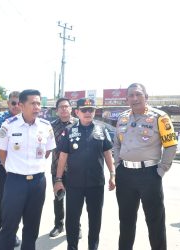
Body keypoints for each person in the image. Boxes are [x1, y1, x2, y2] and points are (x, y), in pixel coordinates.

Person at [113, 83, 177, 250]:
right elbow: (116, 144)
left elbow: (170, 145)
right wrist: (118, 165)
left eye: (138, 94)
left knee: (155, 221)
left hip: (150, 175)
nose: (134, 98)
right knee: (126, 220)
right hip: (125, 174)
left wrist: (161, 170)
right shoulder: (122, 117)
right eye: (131, 95)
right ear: (126, 99)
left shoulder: (160, 117)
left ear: (146, 97)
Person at [0, 89, 56, 250]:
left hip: (38, 182)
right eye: (33, 103)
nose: (37, 107)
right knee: (9, 226)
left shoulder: (45, 126)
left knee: (32, 225)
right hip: (15, 182)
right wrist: (10, 168)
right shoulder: (9, 125)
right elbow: (1, 150)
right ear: (21, 105)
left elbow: (48, 150)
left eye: (38, 103)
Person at [54, 98, 115, 250]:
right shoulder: (69, 130)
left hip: (96, 184)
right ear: (77, 112)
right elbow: (63, 156)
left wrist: (112, 174)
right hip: (74, 183)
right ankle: (72, 247)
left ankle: (93, 247)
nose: (88, 113)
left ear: (95, 112)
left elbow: (108, 153)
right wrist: (58, 179)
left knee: (95, 219)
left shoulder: (102, 129)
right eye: (84, 110)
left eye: (91, 110)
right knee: (72, 219)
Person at [0, 91, 21, 249]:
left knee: (16, 202)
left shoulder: (26, 118)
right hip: (0, 166)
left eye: (18, 103)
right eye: (13, 103)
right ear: (8, 103)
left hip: (19, 168)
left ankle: (11, 232)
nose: (16, 106)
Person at [49, 98, 78, 238]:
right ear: (57, 110)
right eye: (61, 107)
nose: (64, 109)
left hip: (75, 169)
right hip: (56, 168)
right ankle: (58, 225)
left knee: (75, 200)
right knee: (58, 198)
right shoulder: (51, 126)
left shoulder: (79, 124)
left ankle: (76, 227)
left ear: (71, 109)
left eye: (66, 106)